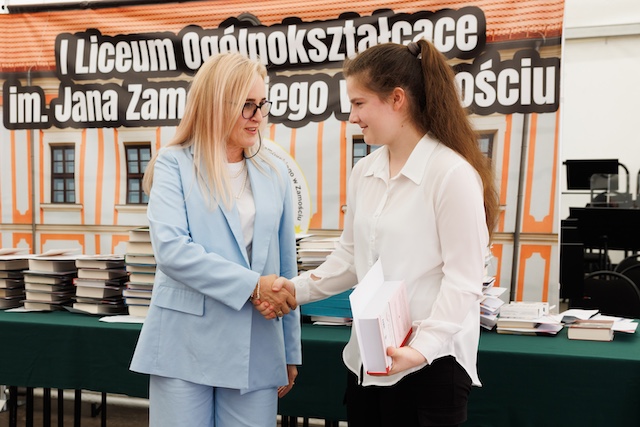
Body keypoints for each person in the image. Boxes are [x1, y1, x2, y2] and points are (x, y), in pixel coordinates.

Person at [258, 39, 499, 427]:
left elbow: (464, 280)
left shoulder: (451, 175)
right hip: (367, 361)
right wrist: (294, 290)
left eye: (359, 103)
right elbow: (351, 258)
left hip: (430, 367)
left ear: (397, 99)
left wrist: (420, 349)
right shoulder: (364, 172)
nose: (352, 116)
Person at [129, 52, 301, 427]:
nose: (258, 116)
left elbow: (286, 268)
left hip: (258, 344)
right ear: (214, 104)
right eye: (247, 105)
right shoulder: (173, 163)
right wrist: (254, 286)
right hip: (184, 343)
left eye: (262, 104)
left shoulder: (275, 174)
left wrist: (289, 350)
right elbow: (172, 251)